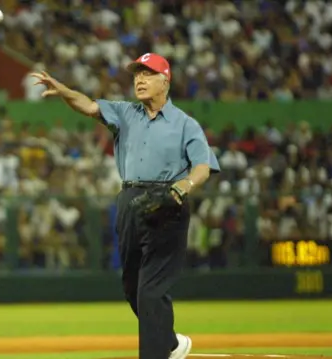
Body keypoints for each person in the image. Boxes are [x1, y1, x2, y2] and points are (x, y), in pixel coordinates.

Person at [31, 53, 220, 359]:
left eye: (147, 74)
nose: (139, 80)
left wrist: (183, 186)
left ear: (165, 81)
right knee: (132, 287)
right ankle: (171, 343)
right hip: (130, 200)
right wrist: (64, 91)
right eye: (136, 75)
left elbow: (202, 166)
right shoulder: (125, 113)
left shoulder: (185, 124)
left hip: (168, 201)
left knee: (151, 290)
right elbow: (89, 105)